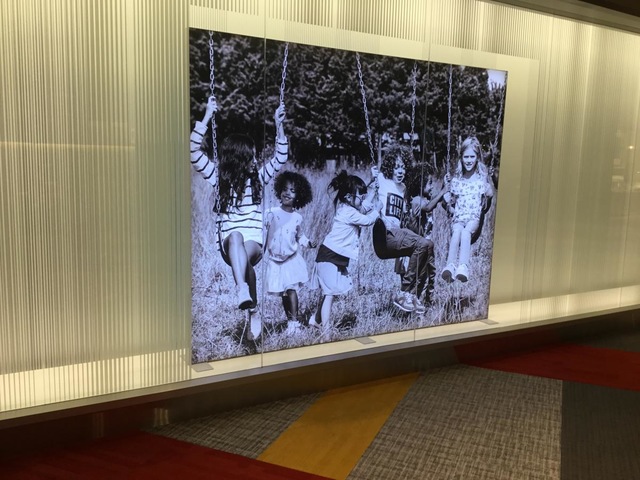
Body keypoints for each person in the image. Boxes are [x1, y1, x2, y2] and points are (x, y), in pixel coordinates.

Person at [190, 95, 288, 329]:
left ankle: (246, 299)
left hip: (254, 241)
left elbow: (281, 157)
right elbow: (193, 152)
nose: (256, 159)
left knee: (243, 246)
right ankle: (248, 301)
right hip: (229, 242)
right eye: (252, 155)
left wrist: (279, 125)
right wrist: (207, 115)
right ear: (240, 157)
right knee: (235, 237)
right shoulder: (218, 178)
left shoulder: (258, 179)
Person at [309, 170, 380, 329]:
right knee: (329, 294)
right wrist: (377, 210)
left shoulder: (347, 206)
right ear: (348, 197)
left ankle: (316, 320)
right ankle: (326, 332)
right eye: (360, 197)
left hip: (332, 256)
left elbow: (363, 206)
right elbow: (367, 220)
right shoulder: (348, 212)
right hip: (329, 256)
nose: (362, 200)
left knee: (329, 292)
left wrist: (372, 188)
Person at [371, 144, 433, 314]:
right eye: (397, 167)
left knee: (428, 245)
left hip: (397, 235)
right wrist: (372, 177)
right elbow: (367, 196)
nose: (400, 171)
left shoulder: (404, 188)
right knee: (422, 243)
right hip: (384, 233)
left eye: (403, 167)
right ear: (390, 167)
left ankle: (411, 295)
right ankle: (405, 292)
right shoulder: (382, 180)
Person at [264, 171, 315, 334]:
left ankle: (295, 324)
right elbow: (263, 232)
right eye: (285, 189)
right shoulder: (271, 212)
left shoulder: (297, 217)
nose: (287, 193)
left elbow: (299, 236)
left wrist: (308, 243)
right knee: (284, 294)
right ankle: (290, 321)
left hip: (290, 260)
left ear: (299, 196)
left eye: (292, 191)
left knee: (291, 289)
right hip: (275, 261)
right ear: (279, 191)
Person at [441, 136, 494, 283]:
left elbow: (485, 207)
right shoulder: (457, 180)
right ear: (461, 158)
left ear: (477, 158)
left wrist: (489, 195)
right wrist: (446, 199)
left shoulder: (481, 180)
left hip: (473, 219)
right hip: (458, 218)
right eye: (466, 157)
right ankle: (450, 265)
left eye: (472, 156)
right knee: (456, 232)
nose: (469, 160)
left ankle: (463, 266)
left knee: (465, 233)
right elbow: (448, 205)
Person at [397, 172, 449, 304]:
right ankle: (407, 304)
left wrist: (444, 186)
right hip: (411, 248)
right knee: (411, 279)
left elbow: (432, 203)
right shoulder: (417, 201)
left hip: (419, 247)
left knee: (424, 276)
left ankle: (417, 303)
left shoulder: (422, 200)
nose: (432, 186)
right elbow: (429, 207)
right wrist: (443, 191)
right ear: (420, 186)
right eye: (429, 183)